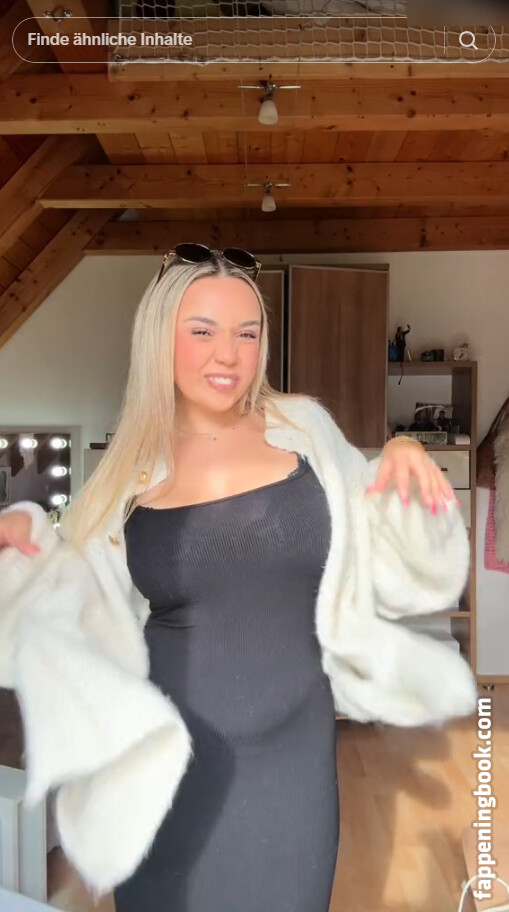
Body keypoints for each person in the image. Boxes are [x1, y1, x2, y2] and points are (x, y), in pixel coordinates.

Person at [0, 243, 476, 912]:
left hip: (292, 762)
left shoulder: (302, 430)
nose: (227, 355)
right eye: (202, 331)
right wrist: (22, 550)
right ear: (160, 338)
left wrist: (400, 447)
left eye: (246, 334)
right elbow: (65, 594)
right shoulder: (126, 471)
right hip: (166, 767)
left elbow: (381, 528)